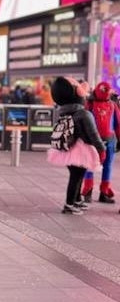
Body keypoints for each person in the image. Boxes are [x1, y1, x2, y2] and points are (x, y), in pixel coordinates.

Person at [47, 76, 105, 215]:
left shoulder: (63, 112)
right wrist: (101, 149)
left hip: (67, 149)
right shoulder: (83, 113)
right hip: (80, 150)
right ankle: (69, 204)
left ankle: (77, 200)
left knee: (77, 175)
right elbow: (93, 134)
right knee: (76, 177)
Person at [81, 81, 120, 203]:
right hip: (102, 139)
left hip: (101, 140)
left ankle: (94, 192)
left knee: (96, 165)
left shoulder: (93, 104)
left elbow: (118, 124)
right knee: (100, 166)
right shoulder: (94, 104)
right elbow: (118, 124)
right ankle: (97, 192)